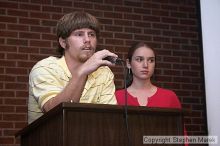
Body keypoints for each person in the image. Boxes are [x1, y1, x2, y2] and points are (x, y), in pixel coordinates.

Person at [28, 11, 118, 124]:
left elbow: (110, 118)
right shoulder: (44, 68)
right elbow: (54, 114)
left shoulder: (103, 72)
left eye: (91, 34)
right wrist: (82, 72)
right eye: (79, 34)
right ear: (63, 42)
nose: (87, 40)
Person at [115, 42, 188, 146]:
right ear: (128, 63)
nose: (145, 65)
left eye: (151, 60)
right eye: (139, 59)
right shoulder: (116, 97)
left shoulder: (169, 96)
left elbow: (182, 137)